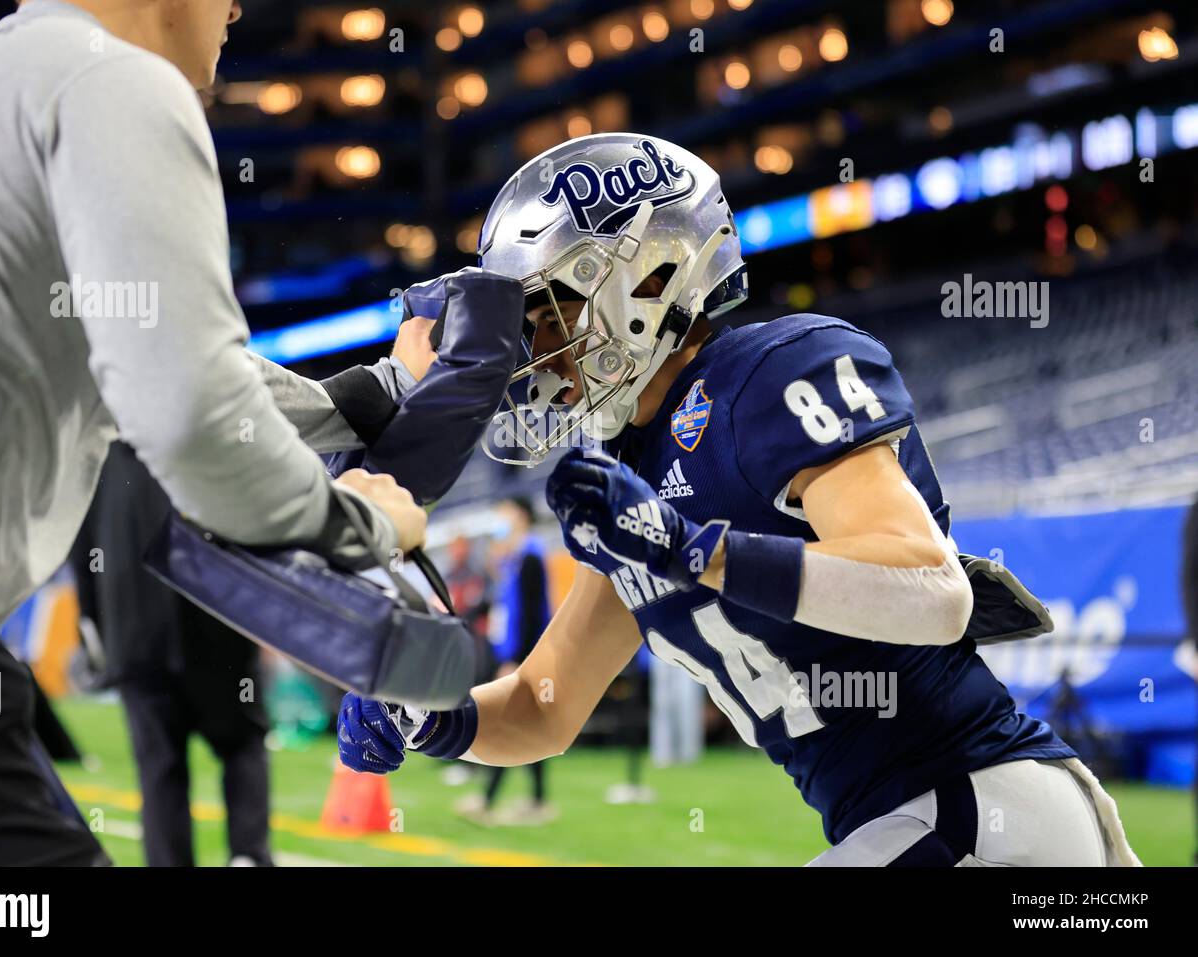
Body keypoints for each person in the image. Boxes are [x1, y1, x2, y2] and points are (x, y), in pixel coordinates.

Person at [336, 133, 1141, 866]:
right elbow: (545, 705)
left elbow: (934, 593)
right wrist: (433, 717)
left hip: (986, 812)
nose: (533, 350)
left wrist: (695, 550)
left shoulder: (766, 375)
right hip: (905, 825)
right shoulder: (629, 468)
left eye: (550, 313)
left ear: (648, 279)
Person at [0, 0, 430, 866]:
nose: (237, 7)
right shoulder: (115, 79)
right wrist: (366, 523)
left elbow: (145, 353)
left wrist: (363, 397)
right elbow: (192, 417)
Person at [73, 442, 274, 867]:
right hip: (217, 629)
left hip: (135, 637)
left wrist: (95, 629)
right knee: (241, 744)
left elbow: (82, 549)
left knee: (160, 770)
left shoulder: (99, 452)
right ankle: (249, 857)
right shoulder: (206, 431)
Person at [455, 498, 554, 825]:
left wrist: (515, 660)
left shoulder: (530, 558)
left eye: (506, 512)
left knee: (503, 724)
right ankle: (538, 802)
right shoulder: (513, 559)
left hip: (522, 657)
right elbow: (499, 607)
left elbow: (530, 615)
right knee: (526, 727)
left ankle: (486, 800)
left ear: (522, 517)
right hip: (512, 654)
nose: (499, 518)